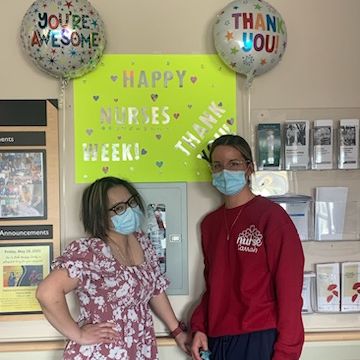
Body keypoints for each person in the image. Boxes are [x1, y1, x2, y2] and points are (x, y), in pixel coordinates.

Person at [36, 176, 190, 359]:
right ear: (99, 215)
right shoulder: (90, 252)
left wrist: (177, 331)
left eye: (131, 202)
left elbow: (155, 289)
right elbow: (47, 293)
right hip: (102, 352)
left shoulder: (142, 242)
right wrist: (79, 335)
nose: (130, 210)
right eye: (119, 208)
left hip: (139, 348)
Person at [190, 135, 304, 360]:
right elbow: (214, 285)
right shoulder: (210, 224)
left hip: (260, 336)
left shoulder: (272, 218)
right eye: (217, 165)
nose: (225, 171)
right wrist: (199, 326)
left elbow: (290, 292)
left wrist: (286, 353)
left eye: (234, 164)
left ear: (249, 168)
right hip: (218, 337)